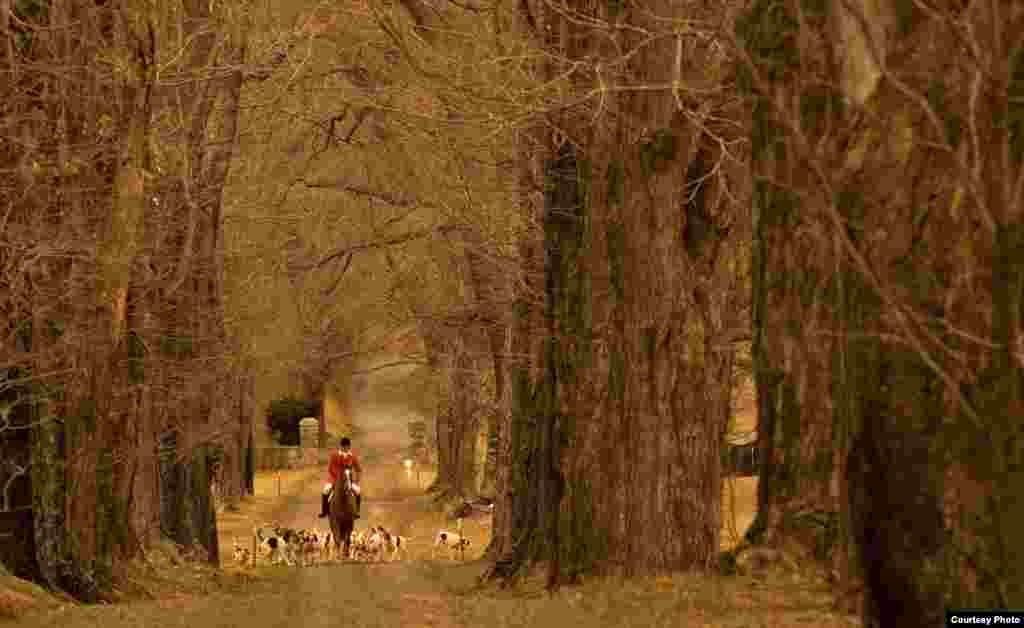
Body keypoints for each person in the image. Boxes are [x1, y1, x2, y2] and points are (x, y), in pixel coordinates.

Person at [319, 436, 362, 518]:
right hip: (334, 479)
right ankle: (324, 511)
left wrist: (356, 481)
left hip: (348, 480)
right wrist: (338, 477)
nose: (346, 448)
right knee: (325, 490)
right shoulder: (334, 455)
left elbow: (358, 469)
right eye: (344, 447)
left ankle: (356, 511)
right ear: (341, 446)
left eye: (347, 447)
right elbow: (330, 469)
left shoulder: (352, 456)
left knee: (358, 491)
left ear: (349, 446)